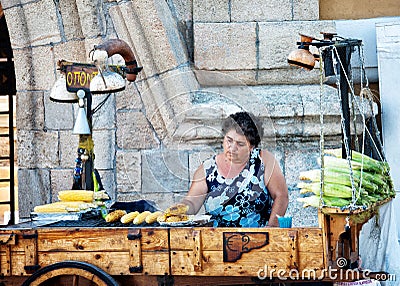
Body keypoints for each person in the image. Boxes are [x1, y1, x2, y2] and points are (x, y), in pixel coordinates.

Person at [180, 111, 289, 227]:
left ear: (251, 147)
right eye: (229, 140)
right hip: (216, 241)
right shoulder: (208, 169)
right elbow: (192, 202)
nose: (232, 148)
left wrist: (271, 230)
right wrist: (179, 209)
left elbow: (281, 196)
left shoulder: (263, 161)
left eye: (240, 144)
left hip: (259, 240)